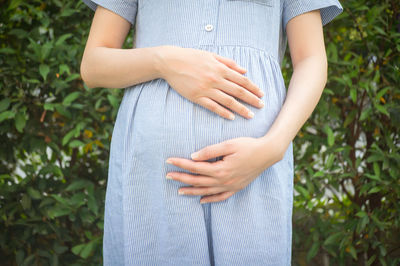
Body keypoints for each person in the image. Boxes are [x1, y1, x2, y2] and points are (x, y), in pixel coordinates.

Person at [80, 0, 343, 265]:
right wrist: (164, 61)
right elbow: (93, 65)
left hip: (254, 173)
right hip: (153, 181)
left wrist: (274, 147)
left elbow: (311, 59)